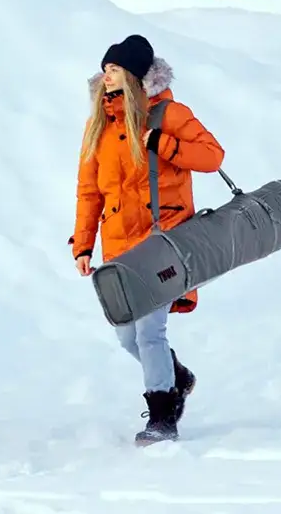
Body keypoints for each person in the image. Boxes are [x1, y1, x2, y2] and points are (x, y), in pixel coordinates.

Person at [69, 34, 225, 445]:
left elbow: (212, 156)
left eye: (115, 69)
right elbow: (89, 191)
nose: (106, 76)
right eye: (105, 69)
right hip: (118, 246)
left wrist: (164, 144)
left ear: (135, 75)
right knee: (127, 336)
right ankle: (177, 377)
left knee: (149, 332)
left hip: (162, 240)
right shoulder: (99, 124)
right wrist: (83, 244)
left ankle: (163, 417)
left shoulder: (169, 114)